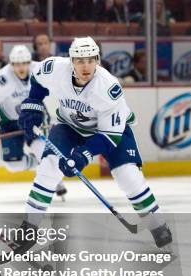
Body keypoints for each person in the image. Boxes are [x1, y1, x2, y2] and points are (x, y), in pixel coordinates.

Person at [17, 36, 172, 252]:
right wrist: (32, 103)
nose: (86, 66)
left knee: (128, 175)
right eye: (80, 61)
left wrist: (83, 155)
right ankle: (29, 227)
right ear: (71, 61)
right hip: (69, 126)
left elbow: (109, 137)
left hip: (109, 132)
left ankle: (158, 226)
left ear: (97, 59)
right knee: (49, 166)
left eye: (91, 59)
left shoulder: (108, 87)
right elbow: (37, 78)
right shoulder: (56, 68)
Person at [0, 45, 66, 197]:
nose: (21, 67)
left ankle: (56, 181)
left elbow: (61, 81)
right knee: (13, 165)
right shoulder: (1, 79)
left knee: (40, 148)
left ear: (29, 62)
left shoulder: (39, 69)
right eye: (17, 64)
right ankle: (39, 163)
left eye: (24, 63)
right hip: (10, 122)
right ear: (11, 64)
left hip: (35, 117)